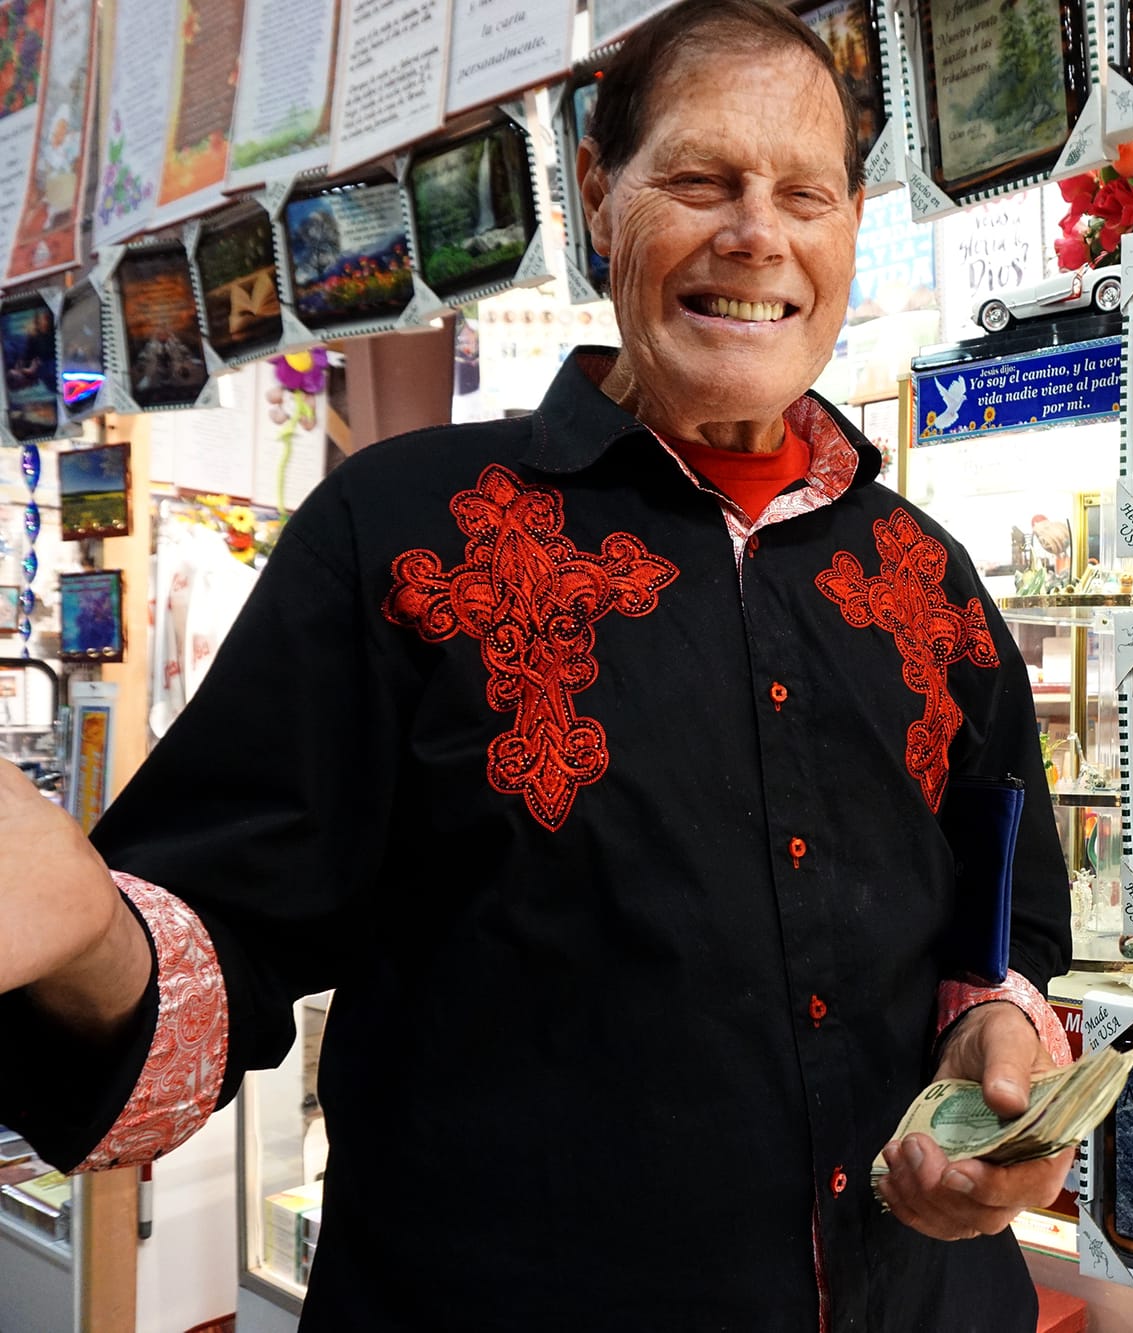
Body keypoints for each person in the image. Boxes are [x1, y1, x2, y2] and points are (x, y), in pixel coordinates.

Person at [0, 3, 1074, 1327]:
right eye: (698, 178)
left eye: (804, 191)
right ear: (593, 193)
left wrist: (1001, 1048)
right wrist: (84, 935)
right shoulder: (402, 533)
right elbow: (219, 962)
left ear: (852, 221)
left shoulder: (932, 581)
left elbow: (998, 924)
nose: (758, 234)